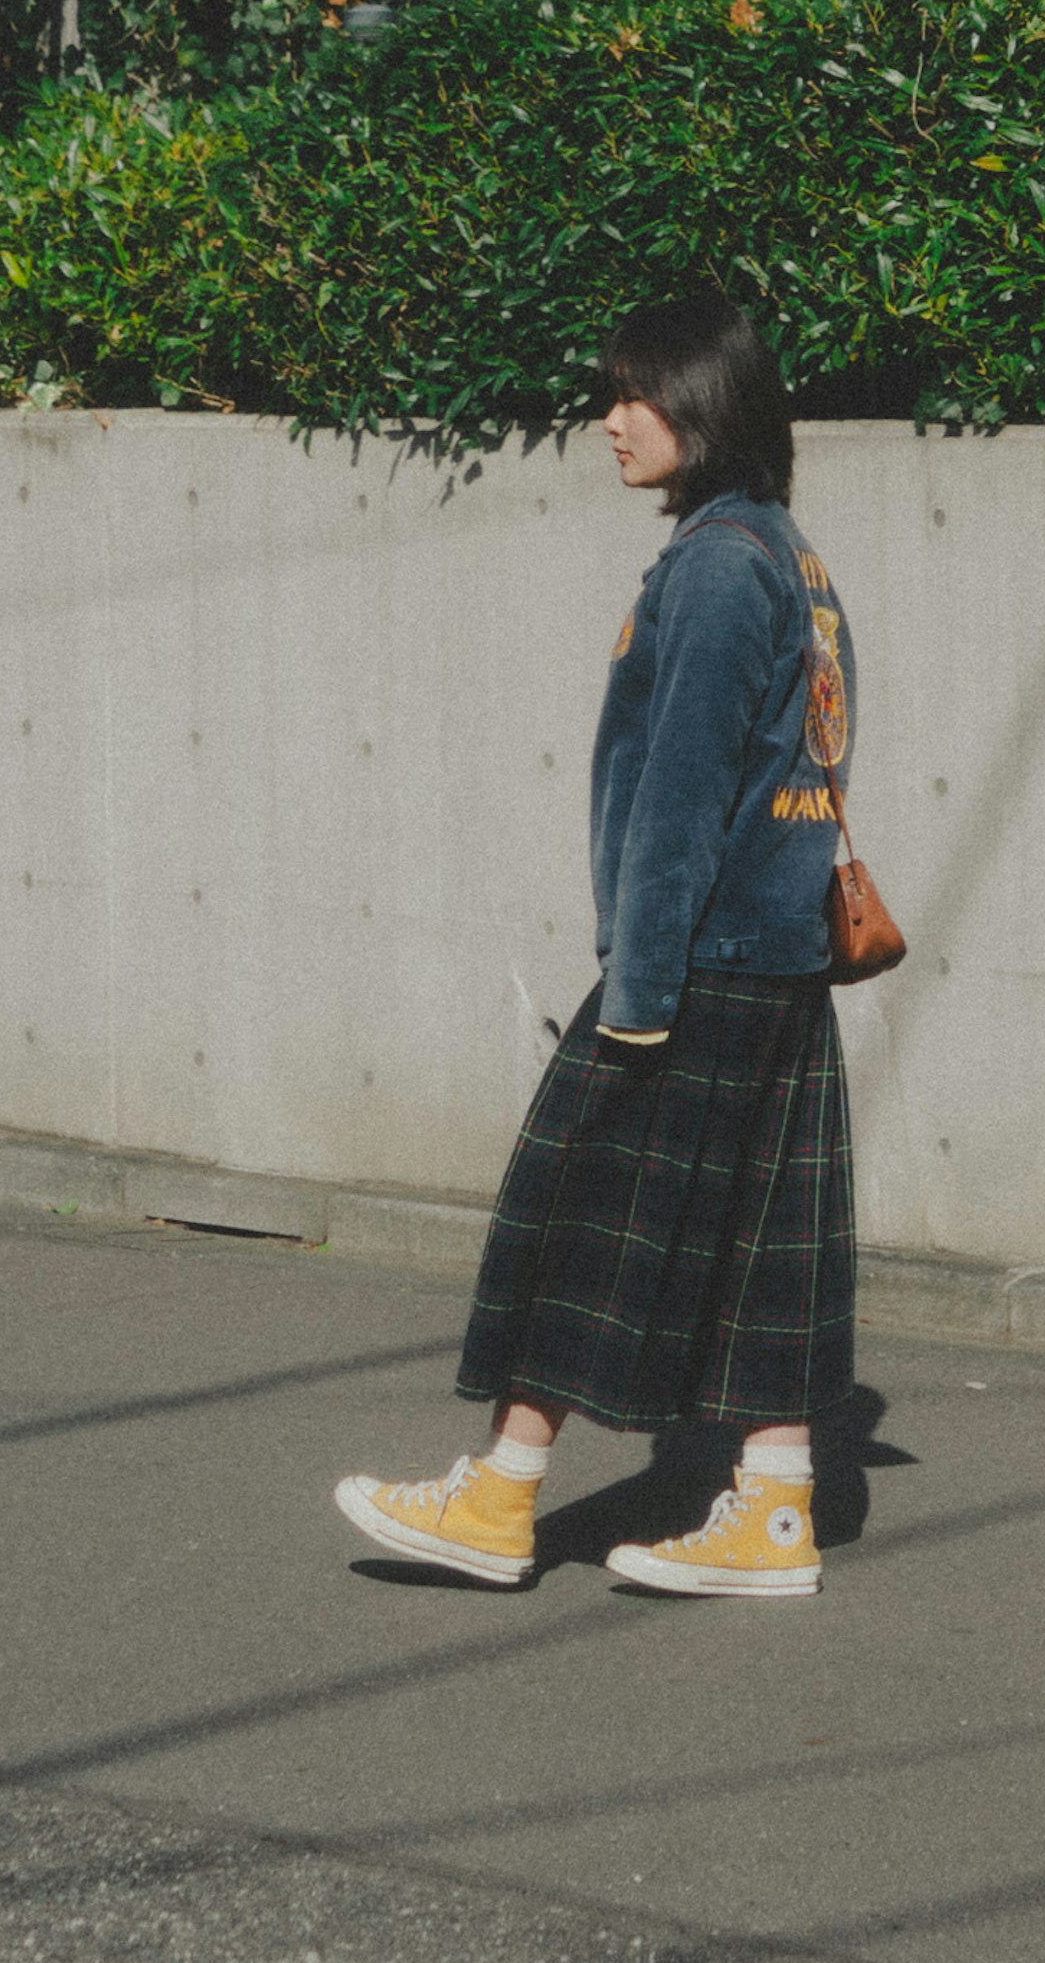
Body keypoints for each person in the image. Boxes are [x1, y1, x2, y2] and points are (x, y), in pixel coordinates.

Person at [334, 291, 858, 1603]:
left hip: (698, 958)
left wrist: (638, 988)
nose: (610, 420)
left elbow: (681, 793)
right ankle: (775, 1512)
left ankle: (500, 1498)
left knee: (575, 1216)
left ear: (705, 405)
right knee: (753, 1245)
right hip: (775, 957)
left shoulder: (721, 568)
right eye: (611, 394)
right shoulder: (784, 555)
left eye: (637, 395)